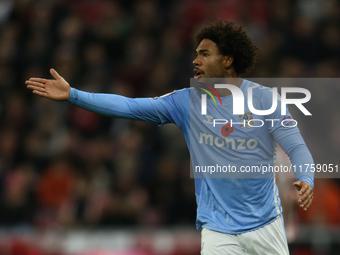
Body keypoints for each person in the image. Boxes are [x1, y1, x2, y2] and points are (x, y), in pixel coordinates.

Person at [26, 20, 314, 255]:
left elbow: (296, 146)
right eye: (196, 54)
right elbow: (131, 106)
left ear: (227, 60)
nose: (195, 60)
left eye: (204, 54)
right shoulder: (185, 102)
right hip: (218, 230)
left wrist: (306, 178)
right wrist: (74, 95)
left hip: (265, 225)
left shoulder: (265, 99)